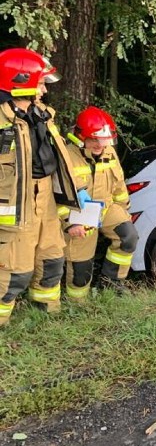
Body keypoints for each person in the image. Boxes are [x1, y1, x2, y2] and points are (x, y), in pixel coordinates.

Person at [0, 48, 81, 325]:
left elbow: (59, 157)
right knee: (14, 271)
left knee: (52, 258)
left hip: (45, 194)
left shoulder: (42, 115)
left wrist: (75, 193)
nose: (45, 90)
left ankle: (48, 315)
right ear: (21, 83)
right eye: (41, 83)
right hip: (16, 201)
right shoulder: (2, 122)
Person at [59, 106, 137, 298]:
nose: (100, 145)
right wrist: (69, 223)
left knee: (128, 236)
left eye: (104, 140)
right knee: (80, 270)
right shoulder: (66, 157)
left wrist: (124, 210)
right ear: (80, 137)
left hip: (107, 208)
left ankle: (111, 284)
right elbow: (56, 197)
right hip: (78, 214)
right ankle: (77, 305)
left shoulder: (109, 152)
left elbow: (119, 185)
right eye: (95, 139)